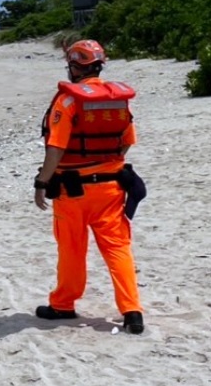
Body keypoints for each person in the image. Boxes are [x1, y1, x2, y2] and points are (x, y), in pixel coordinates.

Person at [33, 39, 145, 334]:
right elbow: (126, 143)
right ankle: (132, 310)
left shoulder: (68, 101)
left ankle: (63, 304)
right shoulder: (116, 100)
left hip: (72, 191)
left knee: (71, 248)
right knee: (118, 248)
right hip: (112, 189)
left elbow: (55, 149)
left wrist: (41, 182)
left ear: (74, 66)